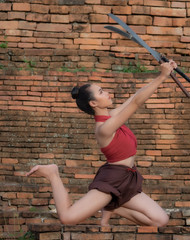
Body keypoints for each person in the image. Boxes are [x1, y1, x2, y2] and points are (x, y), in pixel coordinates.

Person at [26, 60, 178, 226]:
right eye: (101, 92)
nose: (107, 93)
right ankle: (52, 174)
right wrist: (162, 77)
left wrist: (164, 73)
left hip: (128, 177)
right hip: (112, 180)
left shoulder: (111, 116)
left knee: (160, 220)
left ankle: (114, 206)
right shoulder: (104, 128)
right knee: (68, 218)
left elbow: (135, 97)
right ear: (93, 103)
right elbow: (136, 103)